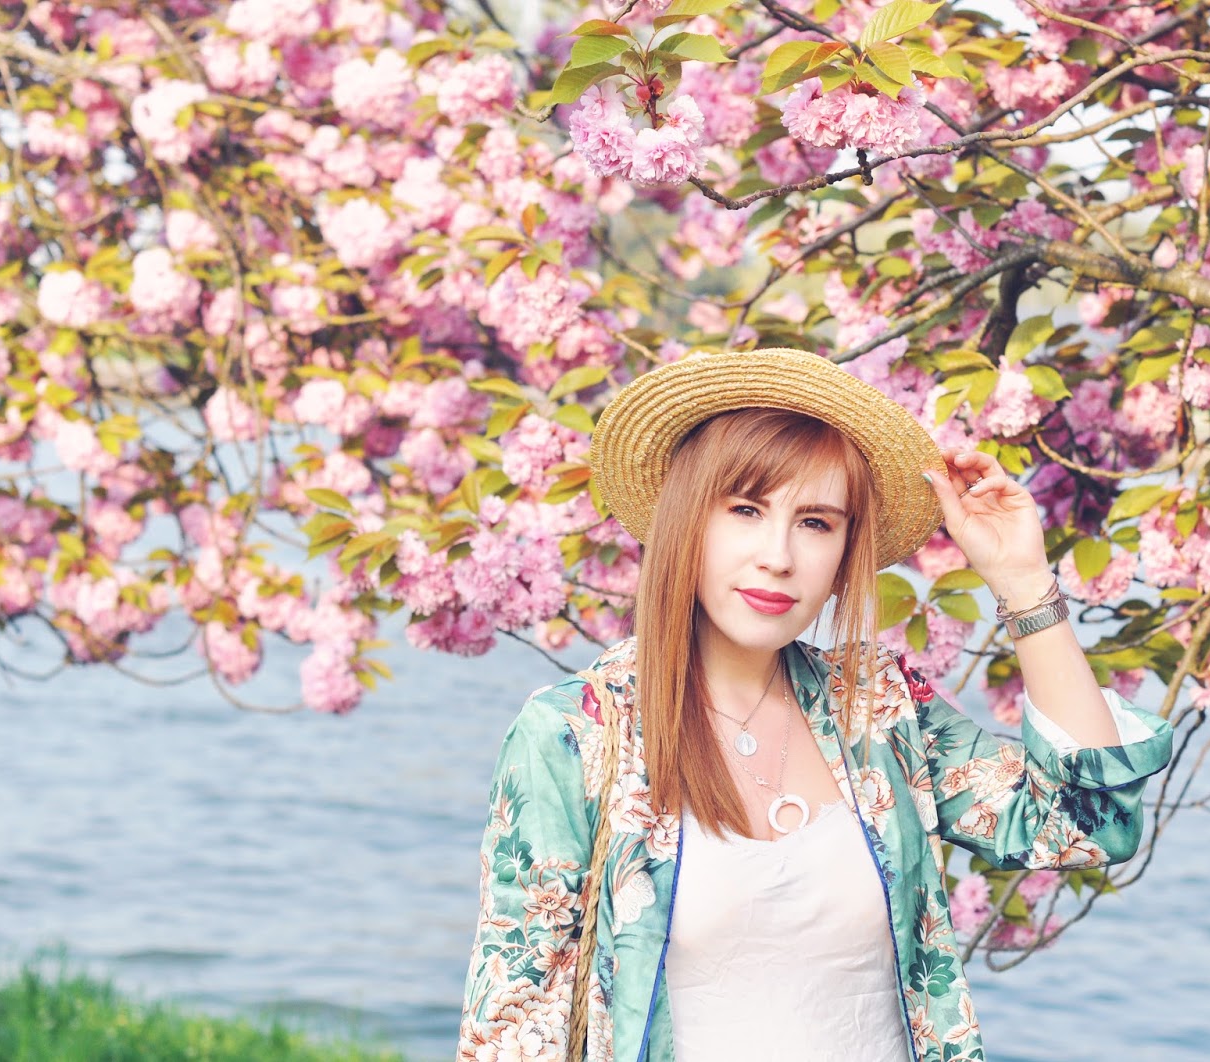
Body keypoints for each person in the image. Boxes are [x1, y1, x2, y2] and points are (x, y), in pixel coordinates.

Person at [457, 348, 1173, 1062]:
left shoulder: (880, 709)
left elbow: (1085, 825)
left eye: (816, 522)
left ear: (842, 555)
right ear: (685, 519)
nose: (779, 556)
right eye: (745, 509)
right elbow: (513, 1031)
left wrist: (1022, 582)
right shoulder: (576, 734)